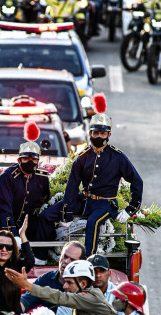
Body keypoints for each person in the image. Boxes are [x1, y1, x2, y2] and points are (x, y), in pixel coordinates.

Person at [37, 110, 143, 256]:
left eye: (103, 134)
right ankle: (42, 255)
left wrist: (130, 209)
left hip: (105, 204)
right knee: (46, 215)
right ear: (90, 133)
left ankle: (89, 260)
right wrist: (66, 213)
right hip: (84, 200)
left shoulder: (118, 157)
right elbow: (72, 186)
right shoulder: (82, 157)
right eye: (96, 133)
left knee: (93, 222)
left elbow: (137, 181)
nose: (99, 136)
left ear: (109, 135)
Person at [5, 259, 116, 315]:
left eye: (69, 282)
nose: (64, 286)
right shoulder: (80, 297)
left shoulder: (91, 296)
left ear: (83, 284)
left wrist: (28, 286)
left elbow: (59, 296)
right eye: (65, 281)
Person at [0, 136, 50, 244]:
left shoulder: (42, 177)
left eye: (34, 159)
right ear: (19, 160)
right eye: (26, 158)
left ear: (38, 161)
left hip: (25, 222)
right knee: (4, 242)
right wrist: (13, 234)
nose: (30, 162)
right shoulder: (8, 176)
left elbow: (43, 199)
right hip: (1, 218)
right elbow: (4, 208)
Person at [21, 242, 85, 315]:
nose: (66, 262)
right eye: (65, 257)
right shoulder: (46, 279)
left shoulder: (86, 285)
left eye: (72, 260)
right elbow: (26, 301)